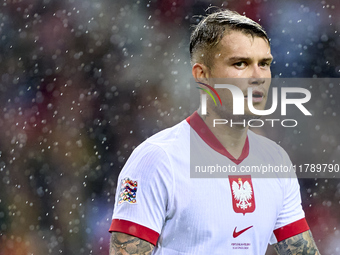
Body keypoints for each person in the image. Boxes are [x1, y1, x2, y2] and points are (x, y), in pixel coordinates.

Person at [109, 9, 321, 255]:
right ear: (203, 76)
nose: (257, 77)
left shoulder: (276, 162)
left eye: (264, 64)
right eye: (240, 63)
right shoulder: (157, 160)